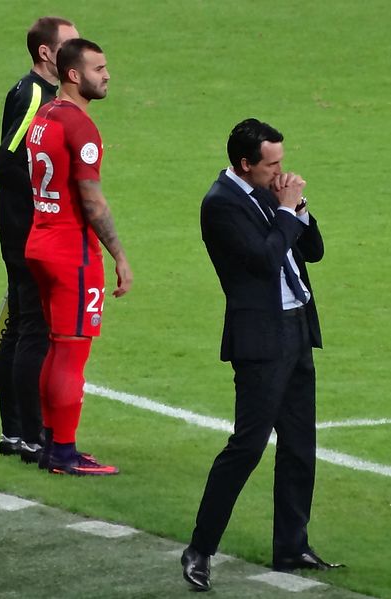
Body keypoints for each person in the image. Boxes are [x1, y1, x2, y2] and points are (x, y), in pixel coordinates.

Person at [181, 118, 343, 591]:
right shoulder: (220, 205)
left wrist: (300, 210)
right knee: (247, 447)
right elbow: (261, 260)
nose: (281, 172)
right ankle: (200, 548)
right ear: (245, 163)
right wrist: (286, 211)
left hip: (296, 329)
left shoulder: (271, 194)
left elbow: (311, 252)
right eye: (271, 164)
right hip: (261, 341)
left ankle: (291, 545)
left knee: (299, 445)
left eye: (282, 162)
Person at [25, 38, 133, 476]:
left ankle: (53, 444)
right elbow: (93, 202)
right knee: (72, 353)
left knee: (57, 348)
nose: (106, 75)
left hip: (40, 241)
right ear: (74, 75)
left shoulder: (43, 116)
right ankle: (65, 454)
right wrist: (120, 256)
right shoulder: (81, 126)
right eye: (99, 69)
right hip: (72, 252)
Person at [0, 17, 79, 463]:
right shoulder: (37, 96)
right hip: (29, 230)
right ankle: (28, 434)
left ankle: (14, 432)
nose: (77, 48)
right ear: (47, 53)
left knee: (23, 326)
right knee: (33, 330)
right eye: (69, 42)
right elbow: (3, 164)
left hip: (21, 226)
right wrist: (49, 189)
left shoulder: (38, 92)